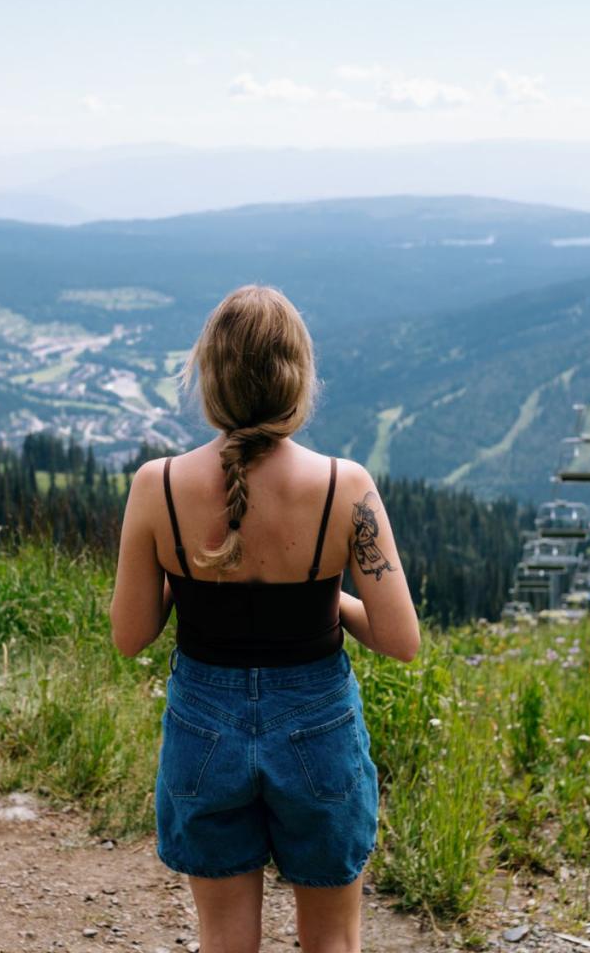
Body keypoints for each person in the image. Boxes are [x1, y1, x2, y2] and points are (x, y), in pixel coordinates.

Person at [109, 284, 420, 953]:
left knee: (224, 940)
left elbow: (130, 636)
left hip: (203, 725)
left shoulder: (156, 486)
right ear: (298, 379)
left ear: (209, 380)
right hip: (317, 726)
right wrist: (318, 596)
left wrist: (194, 581)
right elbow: (400, 640)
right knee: (333, 940)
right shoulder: (346, 486)